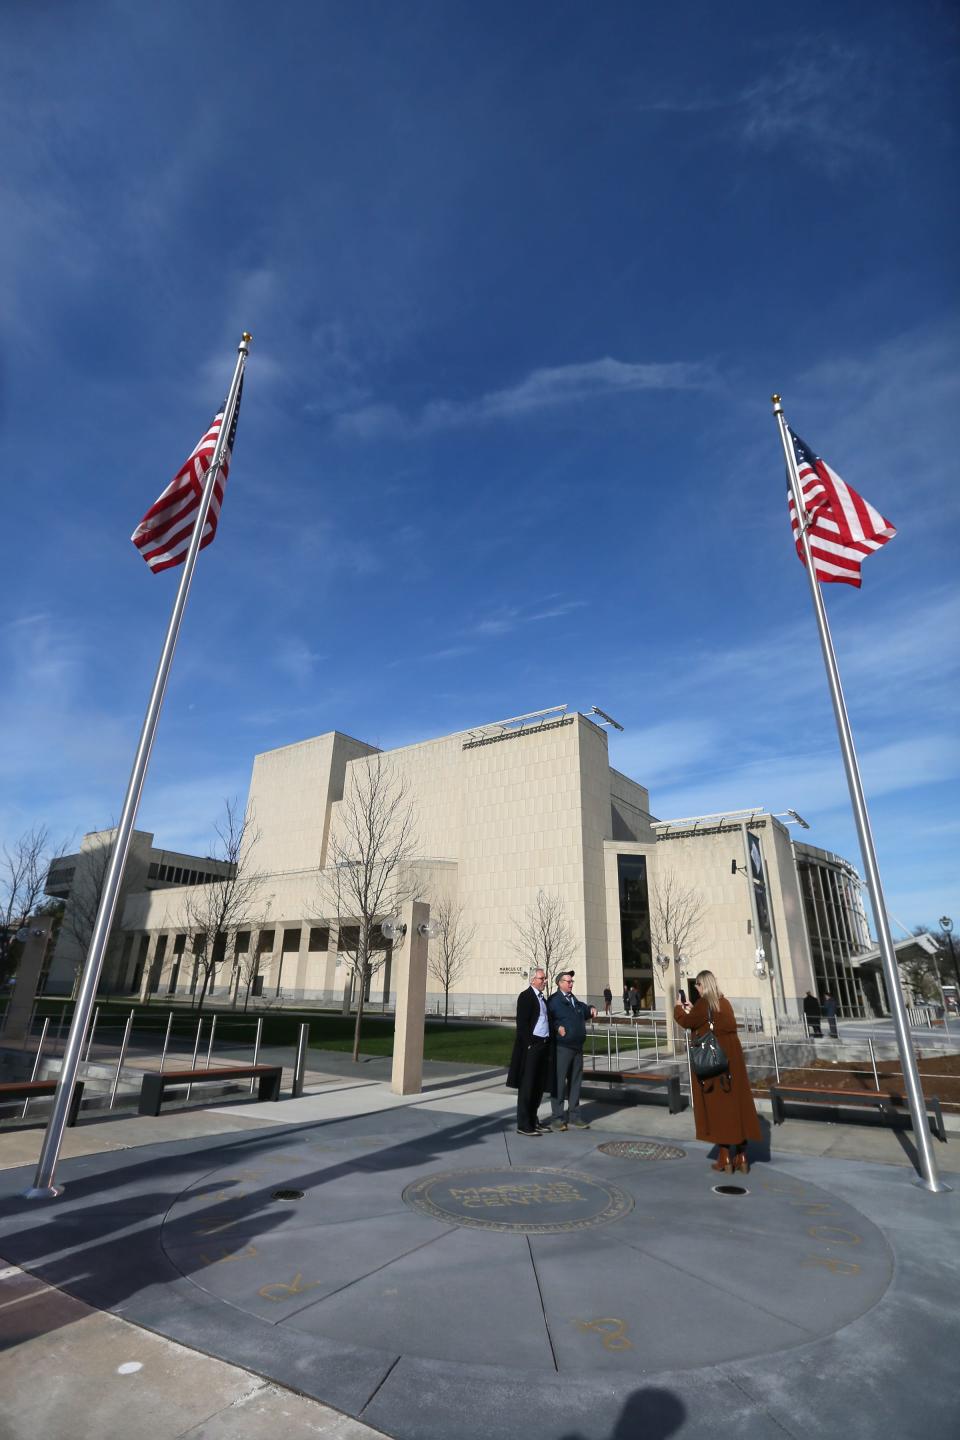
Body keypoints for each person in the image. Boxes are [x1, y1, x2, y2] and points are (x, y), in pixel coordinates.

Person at [674, 968, 761, 1174]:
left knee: (718, 1109)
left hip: (714, 1064)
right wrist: (693, 1008)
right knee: (736, 1106)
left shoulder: (704, 1004)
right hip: (733, 1063)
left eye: (697, 986)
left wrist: (678, 1007)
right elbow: (710, 1021)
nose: (696, 990)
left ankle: (725, 1157)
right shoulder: (724, 1003)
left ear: (702, 985)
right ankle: (742, 1155)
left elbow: (687, 1022)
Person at [546, 970, 597, 1130]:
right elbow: (547, 1019)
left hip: (577, 1048)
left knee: (575, 1083)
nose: (571, 984)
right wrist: (557, 1027)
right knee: (559, 1084)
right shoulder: (554, 1001)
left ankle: (575, 1116)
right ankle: (557, 1118)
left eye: (572, 981)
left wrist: (591, 1009)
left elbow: (583, 1010)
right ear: (560, 983)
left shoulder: (573, 999)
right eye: (568, 981)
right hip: (562, 1048)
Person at [506, 967, 551, 1136]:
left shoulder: (542, 999)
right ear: (533, 980)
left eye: (545, 978)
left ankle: (533, 1120)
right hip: (532, 1047)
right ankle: (524, 1124)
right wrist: (530, 1044)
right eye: (542, 978)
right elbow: (522, 1025)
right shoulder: (526, 996)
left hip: (543, 1045)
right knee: (528, 1086)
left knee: (538, 1086)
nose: (545, 980)